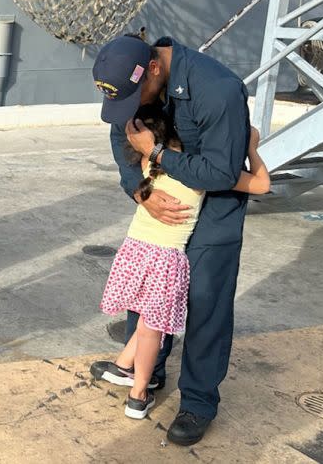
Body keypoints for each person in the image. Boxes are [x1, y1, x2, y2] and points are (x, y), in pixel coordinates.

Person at [91, 33, 256, 445]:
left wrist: (159, 153)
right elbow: (122, 135)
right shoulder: (136, 86)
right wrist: (140, 190)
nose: (133, 109)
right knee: (150, 287)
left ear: (155, 68)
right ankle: (146, 371)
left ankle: (198, 402)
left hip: (215, 205)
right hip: (163, 199)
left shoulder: (217, 90)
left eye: (135, 98)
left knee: (205, 300)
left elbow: (221, 172)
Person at [97, 105, 270, 420]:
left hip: (135, 250)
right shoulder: (201, 173)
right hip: (165, 259)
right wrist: (251, 149)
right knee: (153, 327)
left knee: (147, 313)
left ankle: (124, 365)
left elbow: (130, 130)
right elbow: (261, 184)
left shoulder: (148, 160)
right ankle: (139, 393)